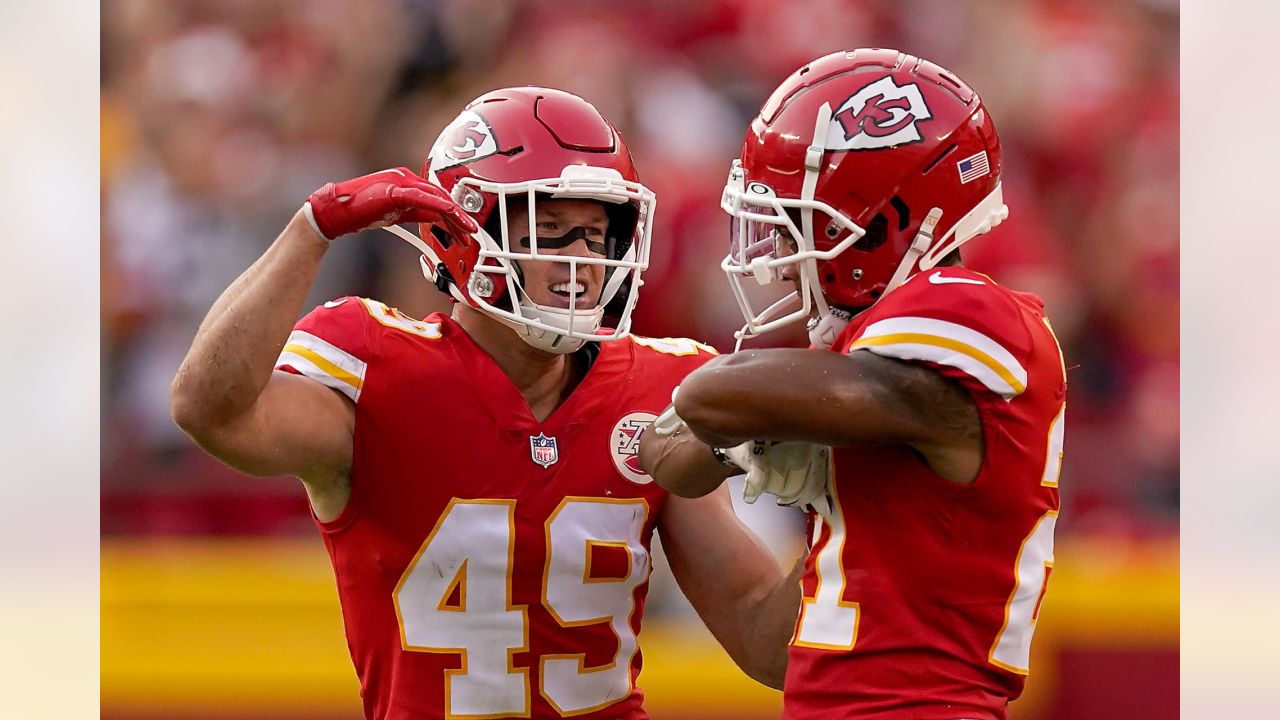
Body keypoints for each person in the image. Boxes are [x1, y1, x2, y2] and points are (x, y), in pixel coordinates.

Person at [170, 86, 798, 720]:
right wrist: (313, 228)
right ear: (464, 234)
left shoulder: (657, 388)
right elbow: (210, 410)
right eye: (548, 230)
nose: (579, 260)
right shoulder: (379, 368)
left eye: (595, 233)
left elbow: (764, 641)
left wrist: (849, 509)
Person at [639, 49, 1067, 719]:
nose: (779, 253)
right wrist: (664, 485)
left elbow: (711, 396)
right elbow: (770, 641)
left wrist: (739, 433)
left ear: (884, 221)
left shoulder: (966, 308)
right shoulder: (869, 383)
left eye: (799, 220)